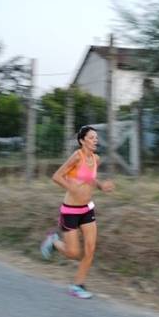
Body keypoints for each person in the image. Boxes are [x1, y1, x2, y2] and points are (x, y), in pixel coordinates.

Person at [40, 125, 114, 299]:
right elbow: (57, 176)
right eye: (91, 137)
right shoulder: (76, 156)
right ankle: (53, 241)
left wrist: (101, 185)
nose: (95, 140)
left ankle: (77, 285)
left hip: (87, 209)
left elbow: (90, 177)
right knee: (74, 253)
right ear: (82, 140)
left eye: (96, 137)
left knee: (90, 248)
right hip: (70, 211)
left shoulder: (96, 158)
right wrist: (71, 188)